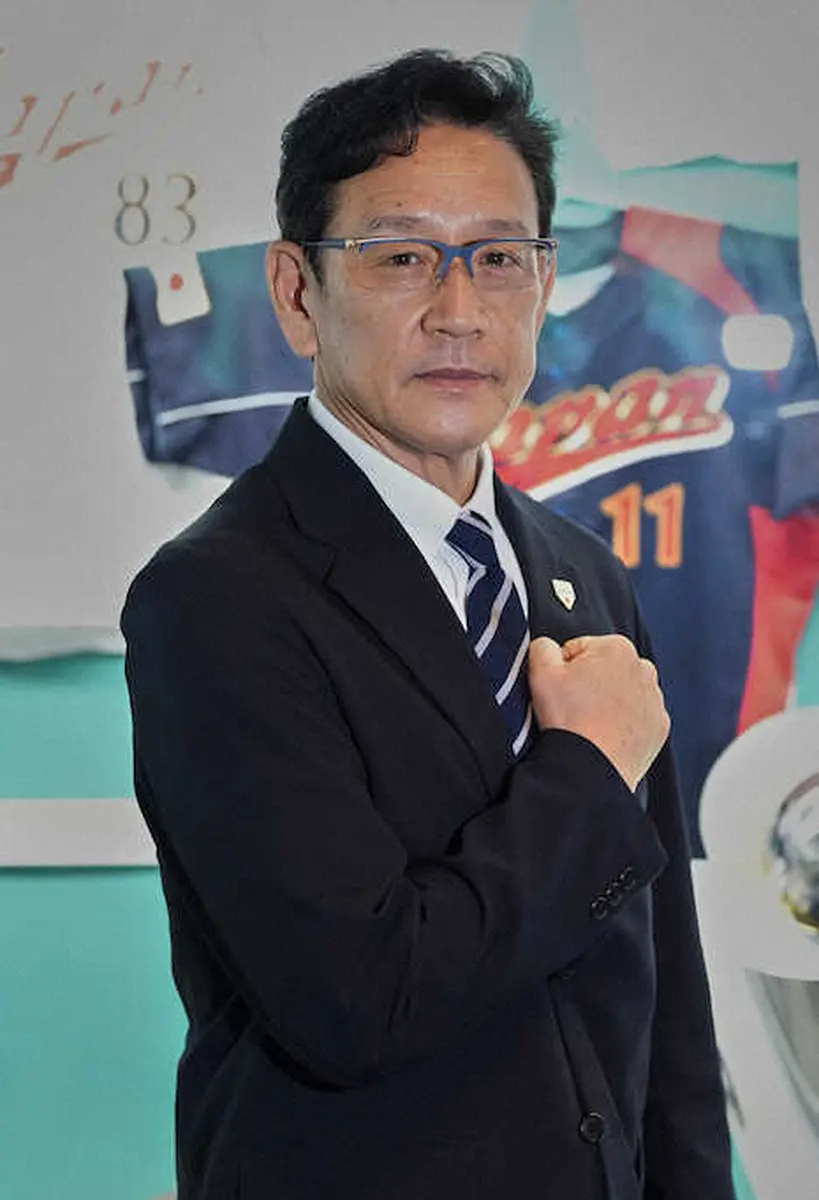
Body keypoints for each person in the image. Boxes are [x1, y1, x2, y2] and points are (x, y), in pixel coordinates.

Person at [120, 49, 736, 1200]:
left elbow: (665, 1002)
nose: (460, 312)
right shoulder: (216, 598)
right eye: (402, 256)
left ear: (543, 284)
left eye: (499, 258)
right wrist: (584, 774)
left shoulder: (585, 578)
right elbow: (359, 997)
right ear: (297, 293)